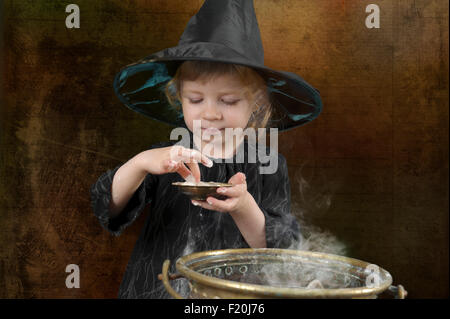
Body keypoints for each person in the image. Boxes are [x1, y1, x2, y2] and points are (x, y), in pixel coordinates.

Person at [90, 0, 322, 299]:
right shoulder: (165, 158)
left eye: (227, 101)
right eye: (196, 100)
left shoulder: (270, 164)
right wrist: (142, 163)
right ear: (179, 99)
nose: (210, 114)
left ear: (256, 104)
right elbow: (108, 209)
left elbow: (279, 251)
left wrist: (243, 207)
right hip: (159, 291)